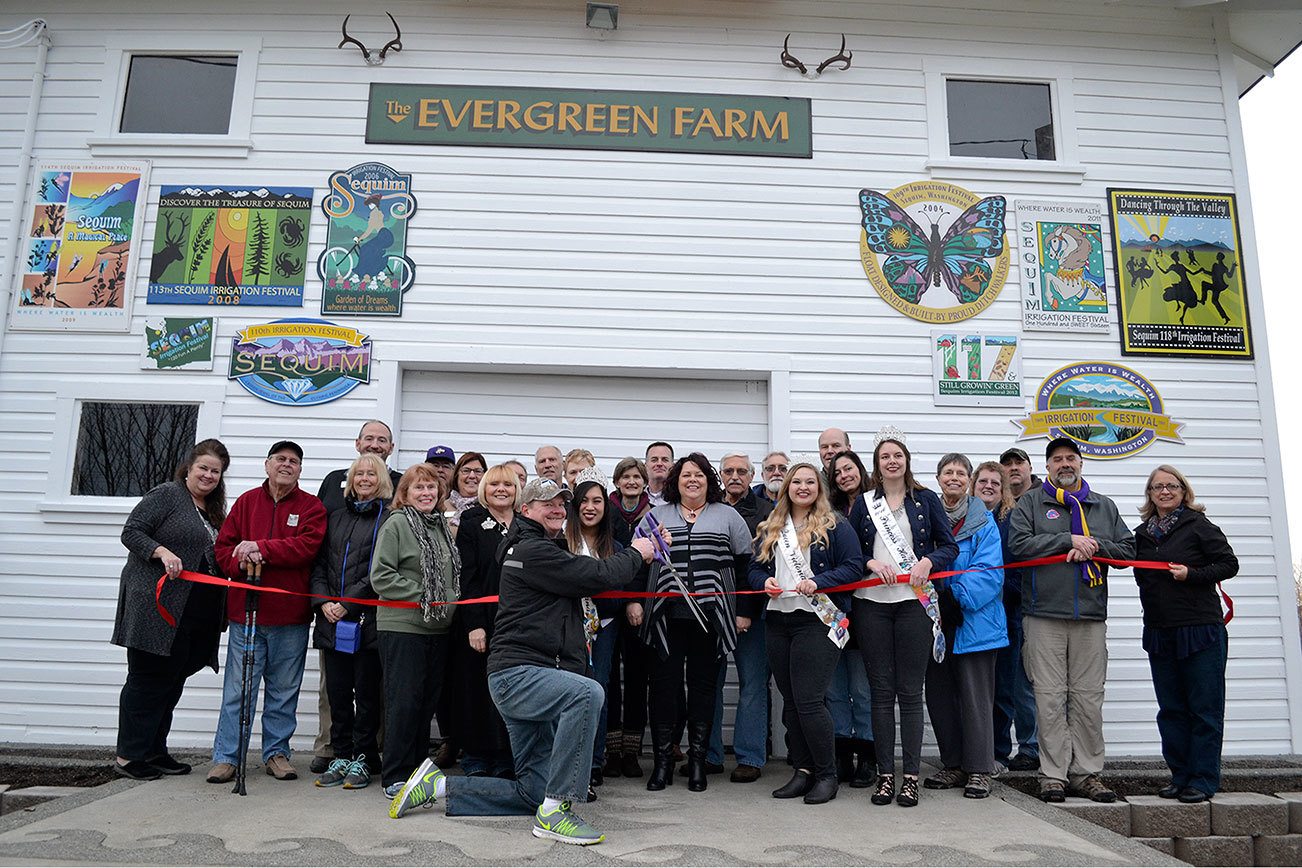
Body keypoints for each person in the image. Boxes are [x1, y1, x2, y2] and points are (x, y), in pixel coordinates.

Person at [388, 477, 657, 848]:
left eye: (562, 503)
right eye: (547, 502)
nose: (558, 509)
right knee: (587, 694)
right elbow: (597, 575)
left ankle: (439, 786)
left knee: (533, 790)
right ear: (525, 510)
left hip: (527, 674)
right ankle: (558, 810)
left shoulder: (543, 548)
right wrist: (638, 552)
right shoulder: (532, 550)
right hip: (518, 675)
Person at [1010, 437, 1135, 804]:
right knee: (1048, 698)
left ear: (1081, 464)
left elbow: (1127, 551)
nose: (1065, 464)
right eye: (1057, 460)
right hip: (1043, 614)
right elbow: (1018, 546)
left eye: (1071, 459)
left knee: (1088, 698)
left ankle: (1087, 773)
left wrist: (1093, 545)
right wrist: (1067, 540)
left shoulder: (1103, 506)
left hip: (1090, 617)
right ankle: (1052, 775)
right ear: (1046, 467)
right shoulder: (1031, 502)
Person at [846, 427, 957, 808]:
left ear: (906, 460)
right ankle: (884, 775)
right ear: (876, 465)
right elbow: (852, 552)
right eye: (884, 457)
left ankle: (910, 776)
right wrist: (870, 562)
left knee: (910, 693)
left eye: (897, 455)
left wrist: (928, 561)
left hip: (914, 603)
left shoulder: (926, 500)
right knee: (880, 693)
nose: (891, 462)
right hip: (871, 603)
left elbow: (949, 546)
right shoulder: (863, 503)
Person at [207, 441, 326, 784]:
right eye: (280, 459)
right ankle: (227, 756)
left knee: (283, 690)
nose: (286, 465)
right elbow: (223, 550)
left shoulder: (311, 507)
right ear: (267, 464)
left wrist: (261, 547)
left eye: (293, 461)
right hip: (245, 616)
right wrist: (242, 559)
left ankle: (277, 753)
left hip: (290, 617)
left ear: (300, 470)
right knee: (238, 690)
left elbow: (305, 547)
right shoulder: (245, 503)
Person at [633, 453, 753, 793]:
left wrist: (743, 610)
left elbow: (744, 567)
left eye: (699, 475)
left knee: (703, 690)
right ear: (676, 480)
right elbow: (638, 564)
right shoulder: (656, 516)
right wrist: (634, 603)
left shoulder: (728, 516)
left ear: (708, 480)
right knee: (664, 689)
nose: (693, 481)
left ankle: (698, 762)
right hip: (665, 619)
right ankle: (662, 765)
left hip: (711, 619)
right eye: (686, 475)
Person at [112, 439, 230, 780]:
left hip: (191, 612)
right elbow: (131, 532)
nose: (208, 475)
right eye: (203, 468)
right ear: (189, 468)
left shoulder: (210, 509)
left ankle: (153, 750)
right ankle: (128, 756)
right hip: (157, 607)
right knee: (146, 680)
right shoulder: (167, 495)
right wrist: (161, 551)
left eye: (215, 471)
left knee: (172, 680)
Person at [750, 462, 863, 805]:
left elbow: (853, 566)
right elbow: (753, 568)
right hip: (778, 621)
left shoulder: (835, 526)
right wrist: (762, 582)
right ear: (786, 487)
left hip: (818, 620)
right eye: (796, 481)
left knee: (811, 701)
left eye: (809, 482)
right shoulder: (772, 525)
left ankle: (827, 774)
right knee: (791, 703)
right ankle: (803, 771)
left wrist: (819, 582)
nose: (802, 487)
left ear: (820, 488)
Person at [1134, 465, 1238, 803]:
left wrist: (1192, 575)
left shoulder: (1199, 526)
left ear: (1183, 491)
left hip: (1201, 630)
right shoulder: (1142, 534)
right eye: (1157, 487)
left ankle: (1204, 780)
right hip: (1161, 632)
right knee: (1171, 710)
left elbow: (1228, 564)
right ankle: (1180, 776)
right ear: (1149, 494)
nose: (1164, 492)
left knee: (1204, 709)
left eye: (1171, 486)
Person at [313, 420, 402, 774]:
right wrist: (323, 602)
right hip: (330, 617)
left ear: (383, 481)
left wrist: (348, 602)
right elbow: (319, 563)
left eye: (372, 475)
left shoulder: (390, 518)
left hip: (367, 618)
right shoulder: (335, 515)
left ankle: (365, 755)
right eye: (360, 474)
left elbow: (378, 570)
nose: (365, 478)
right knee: (336, 691)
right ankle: (341, 753)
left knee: (367, 693)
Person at [371, 464, 462, 799]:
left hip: (437, 629)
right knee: (404, 702)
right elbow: (381, 576)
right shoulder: (396, 524)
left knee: (426, 703)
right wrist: (427, 596)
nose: (426, 494)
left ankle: (416, 770)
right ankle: (394, 774)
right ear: (404, 494)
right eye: (418, 488)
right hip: (402, 626)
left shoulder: (441, 527)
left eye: (432, 488)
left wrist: (449, 601)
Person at [922, 454, 1007, 800]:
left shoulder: (983, 522)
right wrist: (934, 600)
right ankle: (953, 764)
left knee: (975, 699)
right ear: (939, 478)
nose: (954, 478)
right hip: (935, 620)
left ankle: (979, 769)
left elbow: (991, 570)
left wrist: (956, 598)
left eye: (960, 473)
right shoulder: (927, 515)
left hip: (974, 620)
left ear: (969, 480)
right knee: (940, 697)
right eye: (948, 472)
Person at [455, 464, 521, 780]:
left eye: (507, 484)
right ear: (484, 488)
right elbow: (467, 577)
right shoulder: (472, 524)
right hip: (481, 623)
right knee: (476, 689)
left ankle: (507, 756)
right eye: (494, 483)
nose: (501, 489)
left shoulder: (525, 525)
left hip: (517, 624)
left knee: (510, 690)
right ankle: (476, 755)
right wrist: (474, 624)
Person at [711, 452, 774, 783]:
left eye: (741, 471)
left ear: (752, 476)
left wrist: (746, 610)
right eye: (728, 471)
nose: (735, 476)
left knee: (752, 683)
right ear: (721, 475)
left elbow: (759, 564)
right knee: (711, 682)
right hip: (712, 610)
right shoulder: (710, 508)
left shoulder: (767, 513)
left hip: (752, 611)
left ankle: (750, 756)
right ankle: (709, 754)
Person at [563, 467, 625, 791]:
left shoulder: (614, 544)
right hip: (568, 628)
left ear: (605, 506)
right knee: (571, 692)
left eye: (597, 501)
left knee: (597, 691)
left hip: (604, 628)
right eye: (584, 500)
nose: (590, 507)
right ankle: (568, 763)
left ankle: (594, 761)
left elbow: (622, 587)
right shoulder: (562, 540)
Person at [975, 461, 1039, 772]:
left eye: (995, 483)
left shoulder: (1012, 521)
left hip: (1005, 615)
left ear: (1004, 490)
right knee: (974, 690)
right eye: (983, 481)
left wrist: (992, 591)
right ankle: (974, 751)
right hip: (968, 618)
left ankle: (999, 752)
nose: (988, 486)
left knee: (1003, 689)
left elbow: (1019, 572)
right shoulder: (961, 519)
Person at [826, 449, 877, 787]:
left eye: (849, 468)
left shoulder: (879, 503)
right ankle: (842, 754)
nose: (844, 475)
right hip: (831, 607)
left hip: (867, 607)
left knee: (862, 688)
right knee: (834, 688)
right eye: (837, 472)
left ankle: (869, 758)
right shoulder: (826, 510)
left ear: (860, 469)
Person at [607, 456, 653, 776]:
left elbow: (647, 561)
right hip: (608, 606)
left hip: (640, 608)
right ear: (617, 481)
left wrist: (635, 599)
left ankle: (631, 752)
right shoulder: (605, 512)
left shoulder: (653, 514)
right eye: (626, 477)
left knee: (637, 679)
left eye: (637, 477)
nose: (632, 482)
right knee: (609, 680)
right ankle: (611, 751)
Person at [447, 452, 488, 530]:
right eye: (466, 470)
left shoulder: (492, 508)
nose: (472, 476)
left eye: (478, 471)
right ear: (456, 475)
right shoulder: (441, 508)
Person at [644, 442, 674, 507]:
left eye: (665, 460)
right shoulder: (637, 496)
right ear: (645, 466)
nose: (659, 464)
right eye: (654, 460)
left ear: (672, 466)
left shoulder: (680, 498)